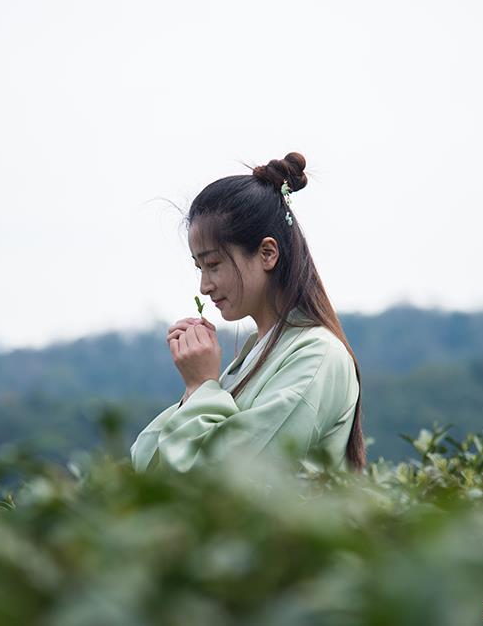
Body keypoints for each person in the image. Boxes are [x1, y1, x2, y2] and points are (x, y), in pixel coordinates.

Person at [130, 152, 365, 475]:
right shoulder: (256, 354)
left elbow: (228, 480)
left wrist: (201, 386)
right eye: (199, 267)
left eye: (213, 264)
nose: (204, 286)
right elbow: (147, 464)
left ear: (267, 253)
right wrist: (194, 391)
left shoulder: (318, 355)